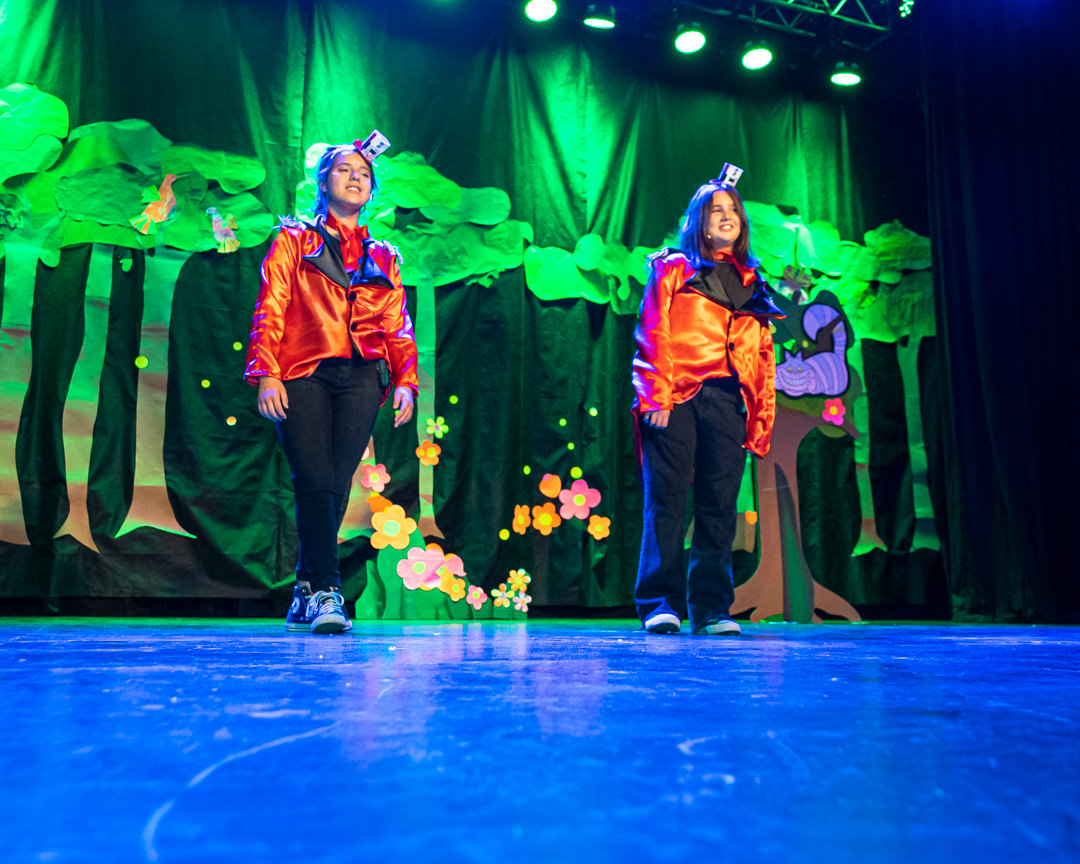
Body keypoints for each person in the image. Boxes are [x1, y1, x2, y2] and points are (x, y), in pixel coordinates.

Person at [245, 133, 418, 635]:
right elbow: (271, 305)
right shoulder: (294, 240)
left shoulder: (383, 255)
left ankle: (305, 588)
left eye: (364, 173)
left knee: (335, 485)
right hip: (303, 371)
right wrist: (266, 372)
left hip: (362, 375)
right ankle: (326, 591)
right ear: (324, 182)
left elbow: (396, 322)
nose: (356, 177)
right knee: (315, 481)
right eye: (345, 170)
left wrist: (405, 379)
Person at [631, 167, 783, 635]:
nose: (726, 216)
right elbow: (653, 331)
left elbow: (762, 355)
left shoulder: (752, 281)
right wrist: (655, 393)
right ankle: (660, 603)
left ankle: (712, 608)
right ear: (699, 219)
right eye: (716, 210)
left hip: (728, 400)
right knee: (668, 500)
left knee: (720, 504)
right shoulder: (673, 268)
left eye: (733, 209)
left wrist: (759, 416)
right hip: (676, 396)